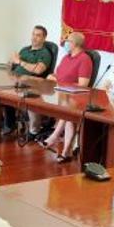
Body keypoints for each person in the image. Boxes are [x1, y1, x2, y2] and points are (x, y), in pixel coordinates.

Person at [38, 32, 94, 163]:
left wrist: (63, 84)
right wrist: (52, 77)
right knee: (68, 118)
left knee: (68, 112)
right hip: (63, 95)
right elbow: (59, 75)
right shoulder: (66, 57)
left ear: (75, 44)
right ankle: (66, 152)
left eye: (68, 41)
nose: (65, 43)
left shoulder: (84, 59)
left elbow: (83, 85)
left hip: (78, 97)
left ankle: (54, 136)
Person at [3, 25, 54, 137]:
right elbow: (12, 64)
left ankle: (18, 126)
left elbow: (39, 70)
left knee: (8, 94)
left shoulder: (44, 53)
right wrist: (9, 65)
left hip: (30, 84)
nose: (34, 38)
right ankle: (7, 123)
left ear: (44, 38)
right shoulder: (25, 49)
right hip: (15, 80)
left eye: (38, 35)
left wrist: (20, 62)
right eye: (33, 34)